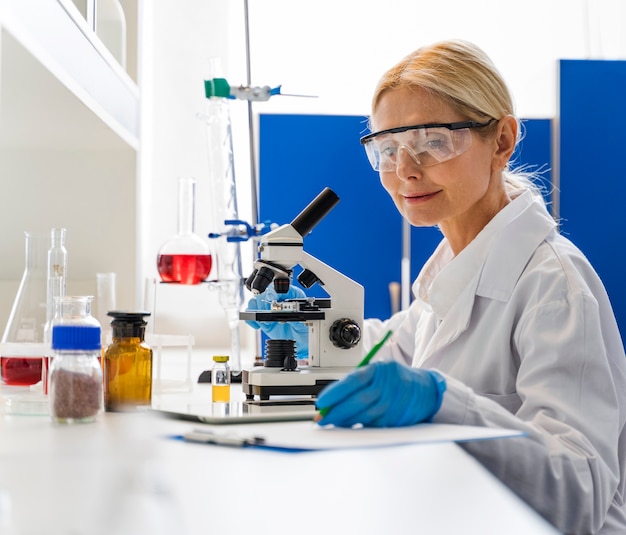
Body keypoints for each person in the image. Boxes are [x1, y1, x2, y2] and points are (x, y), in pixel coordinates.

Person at [248, 40, 626, 533]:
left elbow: (580, 494)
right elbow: (388, 352)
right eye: (387, 149)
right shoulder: (454, 268)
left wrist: (446, 403)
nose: (405, 168)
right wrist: (317, 329)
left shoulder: (555, 288)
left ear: (503, 140)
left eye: (433, 141)